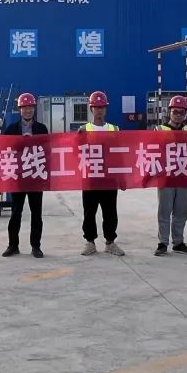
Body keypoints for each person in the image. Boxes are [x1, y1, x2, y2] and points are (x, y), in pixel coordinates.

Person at [2, 92, 48, 259]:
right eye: (24, 108)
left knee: (36, 213)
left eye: (30, 107)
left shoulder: (41, 129)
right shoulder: (11, 129)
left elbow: (47, 150)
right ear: (19, 109)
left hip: (35, 176)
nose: (28, 110)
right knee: (16, 212)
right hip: (18, 177)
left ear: (34, 109)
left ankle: (36, 246)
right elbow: (4, 149)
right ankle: (13, 245)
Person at [79, 91, 124, 257]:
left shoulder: (114, 129)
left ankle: (110, 242)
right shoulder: (83, 130)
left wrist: (122, 178)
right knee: (89, 212)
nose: (99, 110)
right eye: (96, 107)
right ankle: (90, 242)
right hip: (91, 178)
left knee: (110, 212)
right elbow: (77, 154)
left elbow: (119, 155)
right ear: (91, 109)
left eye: (102, 107)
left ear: (106, 109)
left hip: (109, 179)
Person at [155, 95, 187, 257]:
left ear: (185, 114)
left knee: (181, 212)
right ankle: (162, 243)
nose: (178, 115)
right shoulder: (159, 130)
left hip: (184, 176)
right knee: (164, 212)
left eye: (181, 112)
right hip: (166, 177)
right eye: (175, 112)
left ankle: (178, 242)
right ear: (169, 112)